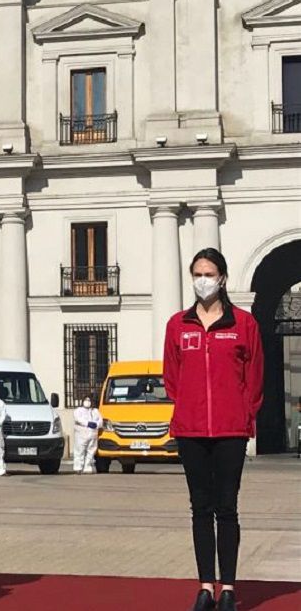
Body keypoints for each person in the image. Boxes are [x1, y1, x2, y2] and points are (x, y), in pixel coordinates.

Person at [163, 249, 263, 611]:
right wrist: (189, 406)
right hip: (190, 431)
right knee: (200, 509)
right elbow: (172, 378)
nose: (203, 280)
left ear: (222, 278)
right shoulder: (178, 325)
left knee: (227, 508)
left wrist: (241, 414)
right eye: (197, 274)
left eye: (209, 273)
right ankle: (206, 586)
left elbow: (254, 379)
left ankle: (230, 590)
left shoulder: (244, 325)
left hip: (230, 431)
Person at [72, 396, 103, 474]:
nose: (87, 401)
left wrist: (96, 424)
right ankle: (78, 467)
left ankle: (87, 467)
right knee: (80, 451)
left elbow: (101, 421)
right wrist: (87, 423)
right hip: (81, 434)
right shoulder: (78, 411)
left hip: (93, 434)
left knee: (91, 451)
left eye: (89, 400)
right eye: (86, 400)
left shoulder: (95, 411)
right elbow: (78, 419)